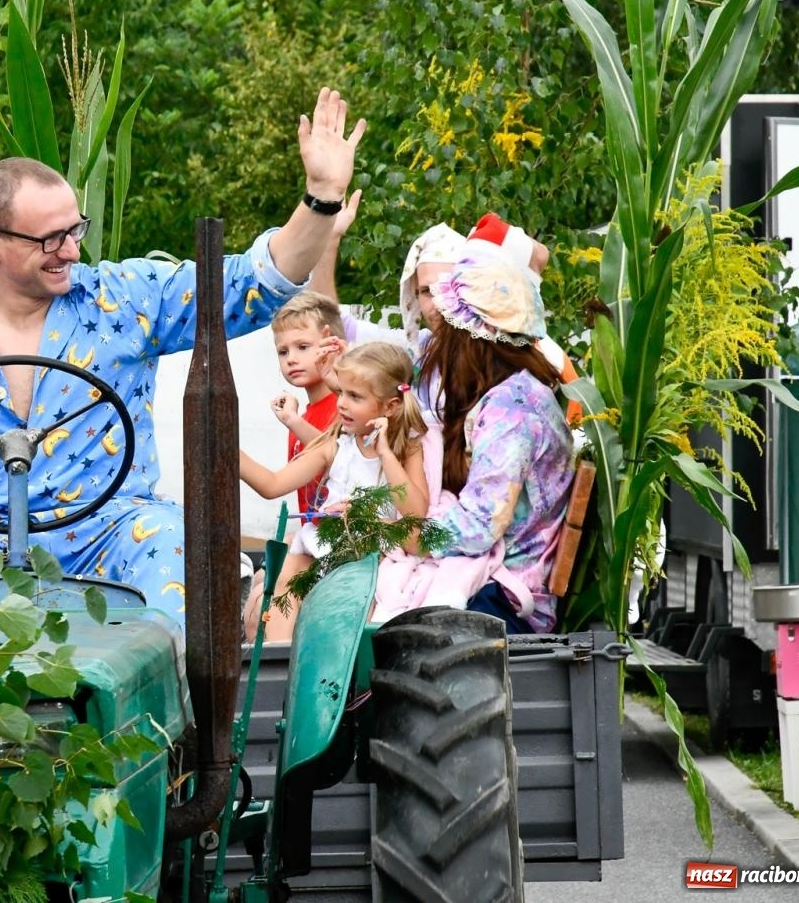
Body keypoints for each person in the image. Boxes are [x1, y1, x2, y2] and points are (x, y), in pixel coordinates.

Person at [0, 88, 367, 619]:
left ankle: (168, 698)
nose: (70, 250)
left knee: (179, 548)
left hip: (114, 529)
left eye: (75, 230)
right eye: (49, 239)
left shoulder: (124, 300)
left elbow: (254, 283)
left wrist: (320, 196)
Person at [374, 252, 574, 633]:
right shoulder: (512, 396)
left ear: (471, 339)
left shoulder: (513, 410)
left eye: (448, 334)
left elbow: (479, 525)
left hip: (506, 600)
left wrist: (399, 535)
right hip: (492, 581)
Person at [239, 342, 429, 593]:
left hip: (372, 556)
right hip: (324, 549)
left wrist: (385, 454)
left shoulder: (409, 448)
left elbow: (417, 514)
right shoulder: (336, 444)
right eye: (341, 392)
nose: (341, 403)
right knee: (277, 591)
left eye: (354, 396)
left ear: (390, 406)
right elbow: (273, 485)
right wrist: (229, 452)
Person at [243, 292, 348, 639]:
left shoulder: (344, 407)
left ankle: (278, 669)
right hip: (313, 531)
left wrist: (292, 422)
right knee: (259, 580)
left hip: (339, 533)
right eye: (283, 351)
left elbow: (335, 458)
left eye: (303, 347)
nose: (292, 359)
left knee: (275, 592)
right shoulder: (303, 413)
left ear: (332, 346)